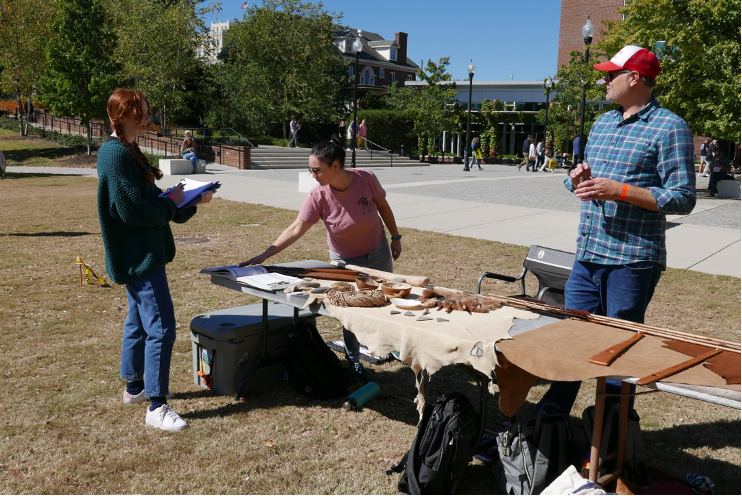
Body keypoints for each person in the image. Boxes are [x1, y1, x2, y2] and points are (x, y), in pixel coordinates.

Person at [537, 45, 696, 416]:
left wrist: (621, 191)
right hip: (588, 254)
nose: (604, 81)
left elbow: (683, 198)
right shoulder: (602, 123)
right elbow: (590, 183)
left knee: (618, 349)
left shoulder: (670, 127)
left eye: (611, 74)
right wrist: (579, 179)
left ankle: (611, 428)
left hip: (632, 261)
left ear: (635, 78)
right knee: (571, 337)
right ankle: (551, 417)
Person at [97, 88, 215, 431]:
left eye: (148, 113)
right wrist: (171, 204)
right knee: (161, 326)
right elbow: (132, 210)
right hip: (139, 256)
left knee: (137, 319)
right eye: (142, 114)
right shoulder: (115, 154)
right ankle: (156, 405)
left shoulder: (129, 149)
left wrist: (185, 200)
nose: (149, 119)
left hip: (144, 251)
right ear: (124, 117)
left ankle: (134, 387)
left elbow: (149, 201)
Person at [240, 139, 402, 380]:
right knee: (351, 310)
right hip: (345, 259)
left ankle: (387, 346)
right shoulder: (318, 195)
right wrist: (266, 253)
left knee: (384, 299)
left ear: (335, 165)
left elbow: (383, 207)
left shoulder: (366, 178)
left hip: (377, 250)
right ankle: (353, 360)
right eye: (310, 170)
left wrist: (395, 237)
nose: (312, 175)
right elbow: (296, 228)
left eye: (316, 170)